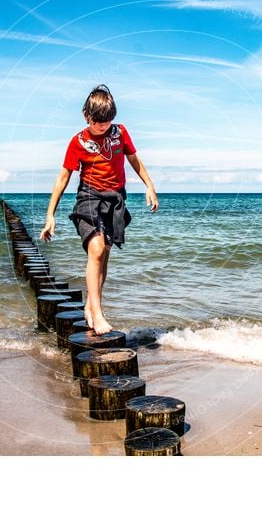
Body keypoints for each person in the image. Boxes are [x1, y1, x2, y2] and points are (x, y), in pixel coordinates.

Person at [40, 84, 158, 335]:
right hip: (89, 196)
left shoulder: (120, 132)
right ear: (86, 116)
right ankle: (98, 313)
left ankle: (91, 305)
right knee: (95, 248)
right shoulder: (78, 142)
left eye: (107, 122)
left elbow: (134, 159)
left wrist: (150, 186)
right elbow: (63, 179)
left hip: (115, 198)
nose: (103, 127)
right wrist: (50, 215)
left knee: (103, 253)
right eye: (98, 123)